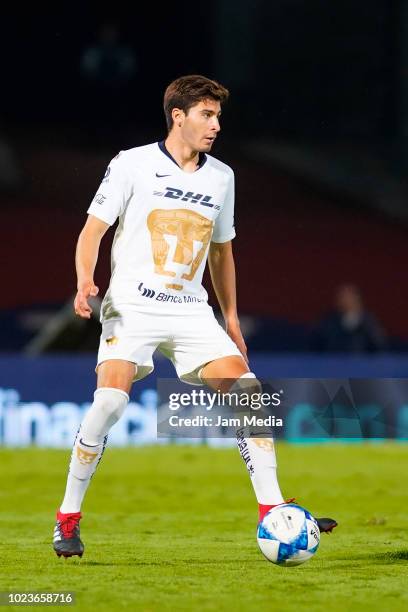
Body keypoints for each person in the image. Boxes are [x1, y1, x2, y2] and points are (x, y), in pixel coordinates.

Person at [53, 75, 337, 558]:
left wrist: (231, 318)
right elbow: (92, 231)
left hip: (190, 310)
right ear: (178, 117)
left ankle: (271, 509)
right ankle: (67, 518)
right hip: (133, 305)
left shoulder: (221, 176)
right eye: (207, 115)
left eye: (219, 116)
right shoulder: (132, 164)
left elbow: (223, 253)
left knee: (249, 393)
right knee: (110, 404)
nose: (216, 125)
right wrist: (84, 281)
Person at [310, 284, 387, 353]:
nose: (346, 301)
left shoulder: (367, 320)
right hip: (334, 362)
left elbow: (379, 344)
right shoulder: (329, 320)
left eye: (349, 297)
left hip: (361, 364)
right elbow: (318, 342)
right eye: (342, 298)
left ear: (357, 300)